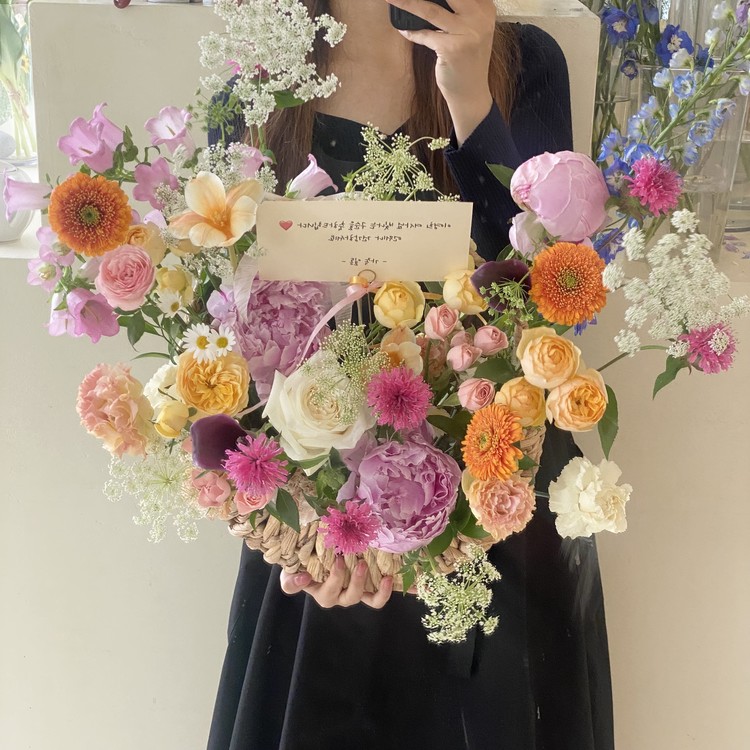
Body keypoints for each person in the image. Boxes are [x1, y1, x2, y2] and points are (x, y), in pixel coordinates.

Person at [207, 1, 614, 748]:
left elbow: (549, 296)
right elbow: (234, 332)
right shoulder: (258, 80)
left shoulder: (525, 61)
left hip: (498, 489)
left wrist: (471, 98)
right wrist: (310, 535)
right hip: (324, 502)